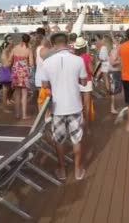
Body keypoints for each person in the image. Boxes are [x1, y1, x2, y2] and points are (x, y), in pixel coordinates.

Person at [41, 33, 87, 181]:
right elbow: (84, 82)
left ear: (53, 45)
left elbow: (45, 85)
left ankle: (62, 169)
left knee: (59, 140)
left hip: (57, 108)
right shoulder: (78, 60)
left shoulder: (47, 62)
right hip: (75, 106)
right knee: (76, 140)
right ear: (67, 43)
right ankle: (78, 170)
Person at [11, 34, 34, 120]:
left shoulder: (15, 48)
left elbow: (10, 59)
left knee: (17, 94)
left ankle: (17, 114)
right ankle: (24, 114)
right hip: (24, 72)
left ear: (21, 39)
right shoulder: (29, 50)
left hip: (15, 71)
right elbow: (31, 64)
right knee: (24, 94)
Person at [74, 37, 93, 133]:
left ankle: (78, 125)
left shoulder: (74, 57)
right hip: (87, 81)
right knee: (87, 105)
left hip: (77, 82)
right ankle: (87, 127)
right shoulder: (87, 56)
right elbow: (90, 70)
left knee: (78, 105)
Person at [0, 34, 13, 106]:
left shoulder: (7, 51)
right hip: (6, 70)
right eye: (9, 39)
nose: (11, 41)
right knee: (5, 88)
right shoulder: (5, 51)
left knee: (9, 87)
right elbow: (7, 63)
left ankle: (8, 100)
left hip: (7, 70)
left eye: (11, 39)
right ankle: (5, 102)